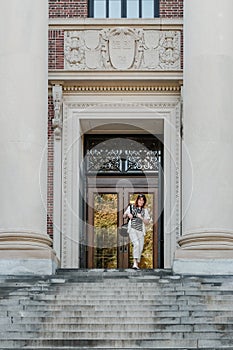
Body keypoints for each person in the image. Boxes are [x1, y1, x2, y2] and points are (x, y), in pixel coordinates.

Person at [123, 194, 150, 270]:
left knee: (140, 247)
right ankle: (135, 263)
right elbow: (124, 216)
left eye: (142, 200)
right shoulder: (131, 207)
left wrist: (141, 217)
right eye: (140, 200)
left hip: (140, 231)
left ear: (144, 202)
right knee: (137, 244)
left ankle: (136, 263)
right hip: (132, 229)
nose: (141, 201)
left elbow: (147, 222)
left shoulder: (145, 211)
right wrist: (128, 214)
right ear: (137, 200)